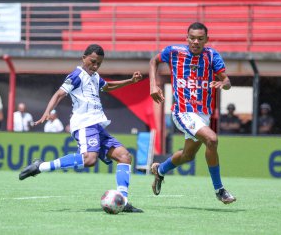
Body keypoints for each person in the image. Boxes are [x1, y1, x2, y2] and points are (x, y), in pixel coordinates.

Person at [19, 44, 143, 213]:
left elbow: (108, 87)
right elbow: (59, 94)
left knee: (124, 156)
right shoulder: (77, 75)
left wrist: (130, 81)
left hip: (97, 125)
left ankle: (123, 201)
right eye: (92, 61)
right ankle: (41, 166)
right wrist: (47, 113)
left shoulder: (95, 76)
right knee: (89, 160)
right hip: (84, 124)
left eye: (99, 63)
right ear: (83, 58)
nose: (95, 66)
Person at [149, 22, 236, 204]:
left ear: (206, 40)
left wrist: (224, 84)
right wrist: (153, 84)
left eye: (200, 38)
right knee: (212, 139)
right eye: (192, 38)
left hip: (202, 113)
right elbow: (154, 61)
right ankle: (219, 190)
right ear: (186, 38)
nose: (196, 41)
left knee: (188, 156)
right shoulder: (174, 52)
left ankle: (160, 170)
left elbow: (226, 80)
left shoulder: (212, 56)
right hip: (182, 111)